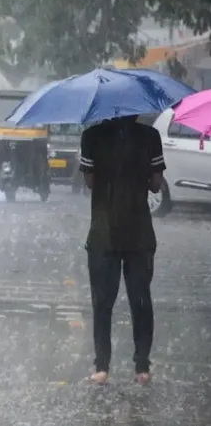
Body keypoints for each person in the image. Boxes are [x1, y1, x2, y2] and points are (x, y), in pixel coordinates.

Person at [79, 115, 165, 386]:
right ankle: (142, 367)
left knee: (103, 303)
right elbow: (155, 184)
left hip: (104, 232)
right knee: (140, 300)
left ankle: (102, 367)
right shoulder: (150, 137)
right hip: (139, 231)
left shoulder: (91, 136)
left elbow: (90, 182)